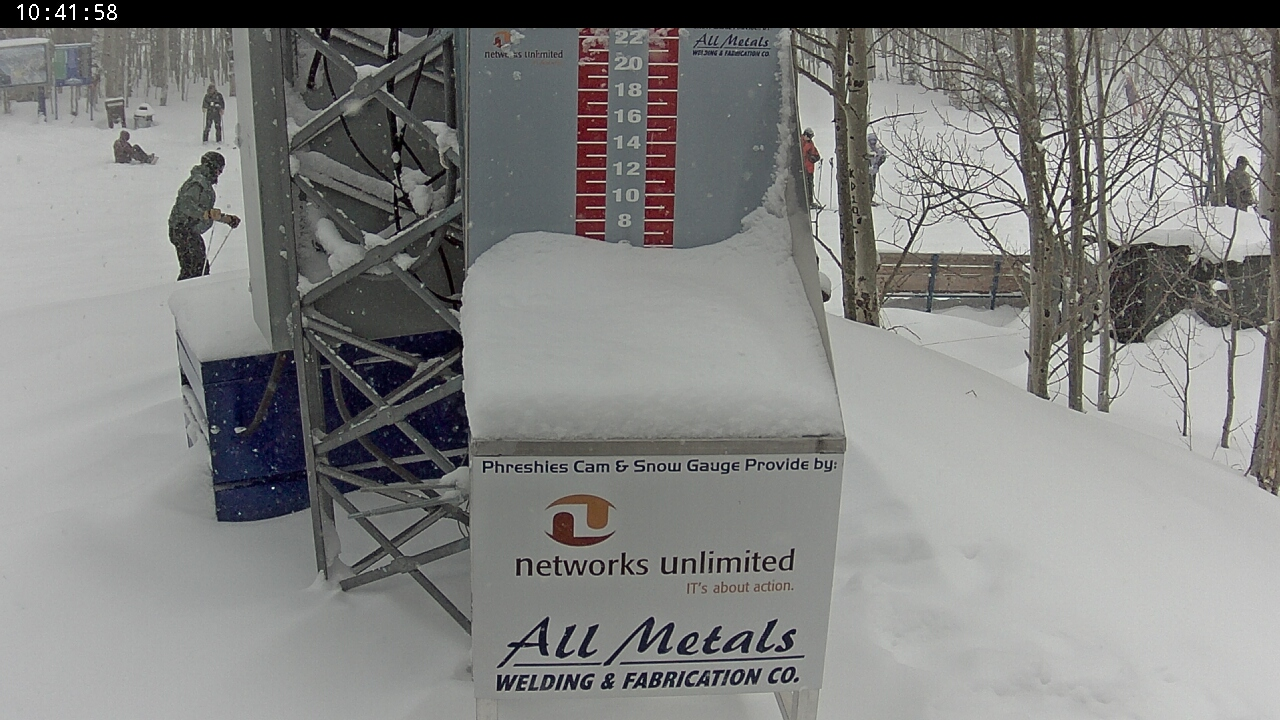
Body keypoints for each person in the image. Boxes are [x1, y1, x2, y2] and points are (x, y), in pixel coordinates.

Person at [168, 151, 240, 280]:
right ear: (211, 167)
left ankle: (192, 289)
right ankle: (189, 290)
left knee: (197, 268)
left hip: (188, 230)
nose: (219, 174)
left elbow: (207, 212)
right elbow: (186, 204)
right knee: (195, 267)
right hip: (182, 229)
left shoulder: (203, 183)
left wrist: (227, 219)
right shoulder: (198, 183)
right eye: (219, 170)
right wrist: (204, 214)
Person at [801, 128, 821, 208]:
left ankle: (810, 202)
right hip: (802, 168)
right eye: (809, 137)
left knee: (810, 185)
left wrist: (813, 158)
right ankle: (804, 202)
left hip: (809, 168)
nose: (810, 139)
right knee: (803, 185)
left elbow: (817, 155)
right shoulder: (800, 142)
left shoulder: (810, 144)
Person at [867, 132, 887, 206]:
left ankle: (870, 199)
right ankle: (866, 200)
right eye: (871, 141)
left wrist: (879, 163)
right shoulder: (866, 148)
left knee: (873, 185)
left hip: (874, 170)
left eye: (874, 141)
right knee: (868, 185)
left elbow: (882, 157)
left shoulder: (878, 149)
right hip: (866, 171)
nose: (873, 143)